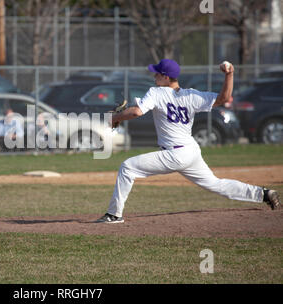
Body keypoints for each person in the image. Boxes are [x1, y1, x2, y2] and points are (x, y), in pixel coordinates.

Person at [97, 59, 281, 223]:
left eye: (157, 73)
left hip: (174, 153)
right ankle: (263, 194)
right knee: (216, 184)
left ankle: (114, 215)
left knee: (128, 167)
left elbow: (137, 112)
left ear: (166, 77)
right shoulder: (190, 95)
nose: (154, 76)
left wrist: (113, 118)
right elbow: (224, 98)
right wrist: (230, 74)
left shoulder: (157, 92)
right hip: (191, 151)